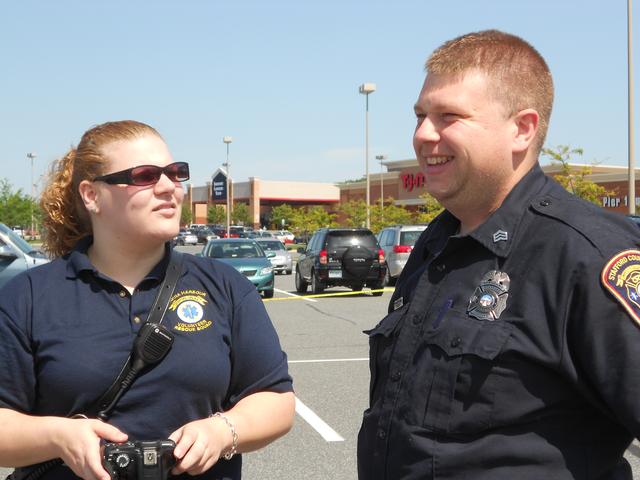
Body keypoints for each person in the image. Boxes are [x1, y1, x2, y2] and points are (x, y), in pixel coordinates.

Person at [357, 30, 640, 479]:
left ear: (522, 129)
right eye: (420, 115)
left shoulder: (587, 255)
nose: (422, 134)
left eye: (449, 116)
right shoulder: (438, 242)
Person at [0, 120, 295, 480]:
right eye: (145, 175)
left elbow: (276, 400)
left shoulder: (225, 286)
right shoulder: (28, 297)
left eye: (175, 173)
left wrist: (223, 431)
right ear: (92, 195)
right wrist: (58, 437)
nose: (170, 187)